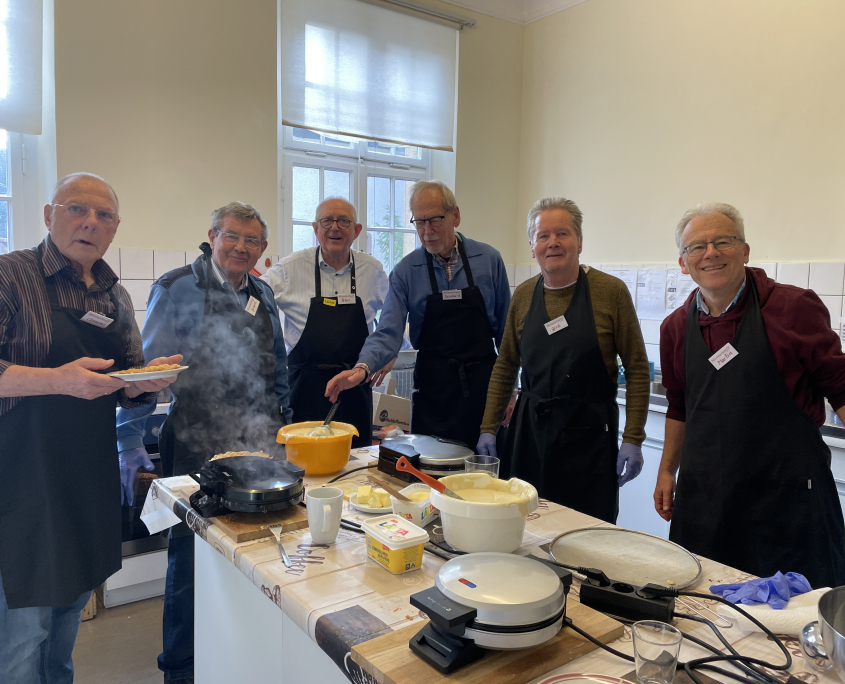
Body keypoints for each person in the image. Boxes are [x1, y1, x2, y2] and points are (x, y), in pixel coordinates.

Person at [0, 172, 181, 684]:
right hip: (22, 484)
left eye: (104, 215)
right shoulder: (10, 276)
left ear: (115, 228)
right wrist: (57, 380)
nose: (90, 222)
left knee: (62, 633)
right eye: (77, 208)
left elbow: (125, 379)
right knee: (21, 640)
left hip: (84, 478)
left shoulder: (113, 293)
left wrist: (149, 381)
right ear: (48, 214)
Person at [116, 201, 293, 684]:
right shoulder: (175, 289)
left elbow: (277, 366)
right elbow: (144, 375)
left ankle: (234, 657)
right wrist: (128, 444)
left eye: (251, 240)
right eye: (231, 236)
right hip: (194, 443)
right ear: (212, 236)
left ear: (263, 248)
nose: (240, 247)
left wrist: (283, 427)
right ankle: (181, 669)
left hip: (257, 440)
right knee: (191, 560)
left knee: (256, 551)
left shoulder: (262, 292)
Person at [655, 202, 845, 587]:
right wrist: (666, 470)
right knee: (705, 611)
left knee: (796, 624)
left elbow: (839, 386)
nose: (710, 253)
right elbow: (679, 406)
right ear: (682, 262)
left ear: (744, 251)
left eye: (722, 241)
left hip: (787, 503)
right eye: (697, 246)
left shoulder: (793, 308)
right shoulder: (675, 327)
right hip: (707, 503)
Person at [478, 197, 649, 522]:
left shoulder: (610, 292)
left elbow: (638, 369)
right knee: (525, 528)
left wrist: (633, 438)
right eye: (543, 235)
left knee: (586, 536)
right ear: (532, 246)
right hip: (529, 436)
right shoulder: (525, 295)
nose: (552, 243)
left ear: (579, 241)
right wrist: (489, 427)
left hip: (589, 440)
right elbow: (505, 366)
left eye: (563, 233)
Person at [325, 180, 511, 449]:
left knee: (484, 484)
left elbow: (508, 335)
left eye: (434, 220)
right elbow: (388, 332)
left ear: (455, 216)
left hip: (485, 393)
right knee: (428, 482)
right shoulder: (406, 271)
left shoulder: (489, 260)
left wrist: (511, 392)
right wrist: (361, 368)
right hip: (433, 395)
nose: (427, 231)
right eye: (419, 222)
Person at [263, 197, 393, 446]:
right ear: (315, 229)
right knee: (304, 469)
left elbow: (393, 318)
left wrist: (391, 352)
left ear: (356, 231)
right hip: (304, 391)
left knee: (355, 467)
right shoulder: (290, 269)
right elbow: (254, 301)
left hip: (355, 388)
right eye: (327, 221)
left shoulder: (372, 270)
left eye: (344, 221)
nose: (335, 227)